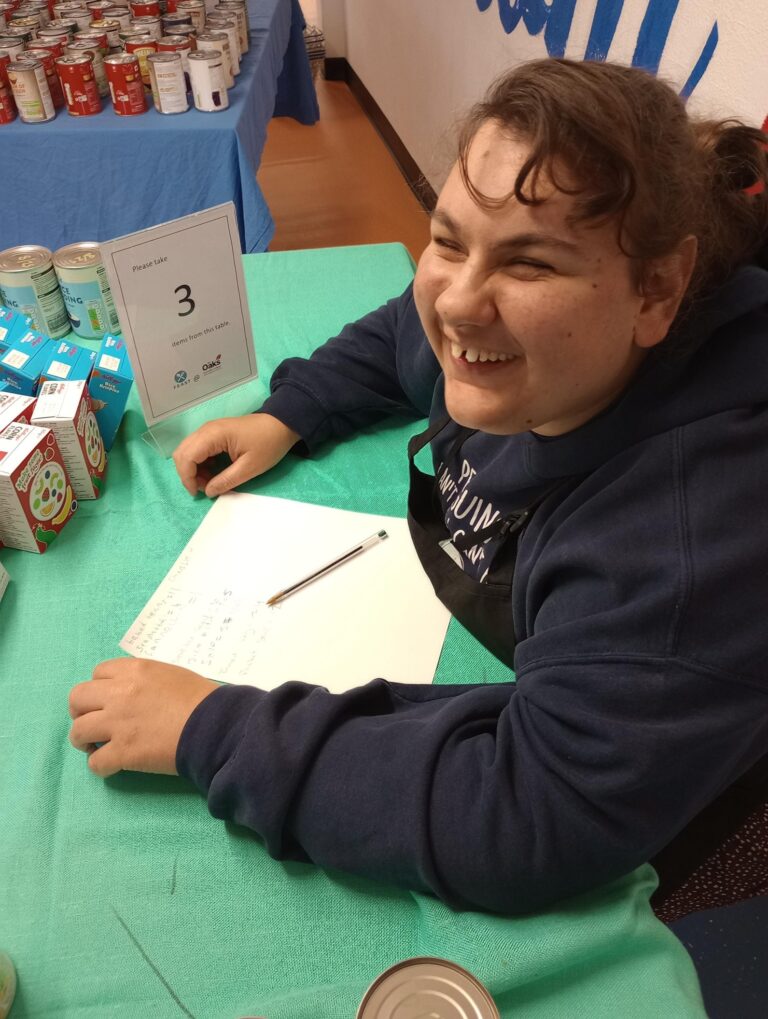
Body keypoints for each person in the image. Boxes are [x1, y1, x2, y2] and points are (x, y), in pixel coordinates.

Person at [68, 59, 768, 917]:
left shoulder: (690, 538)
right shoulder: (505, 340)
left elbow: (525, 814)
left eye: (531, 264)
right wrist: (291, 412)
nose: (460, 303)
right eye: (447, 239)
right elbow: (411, 322)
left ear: (656, 289)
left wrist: (211, 731)